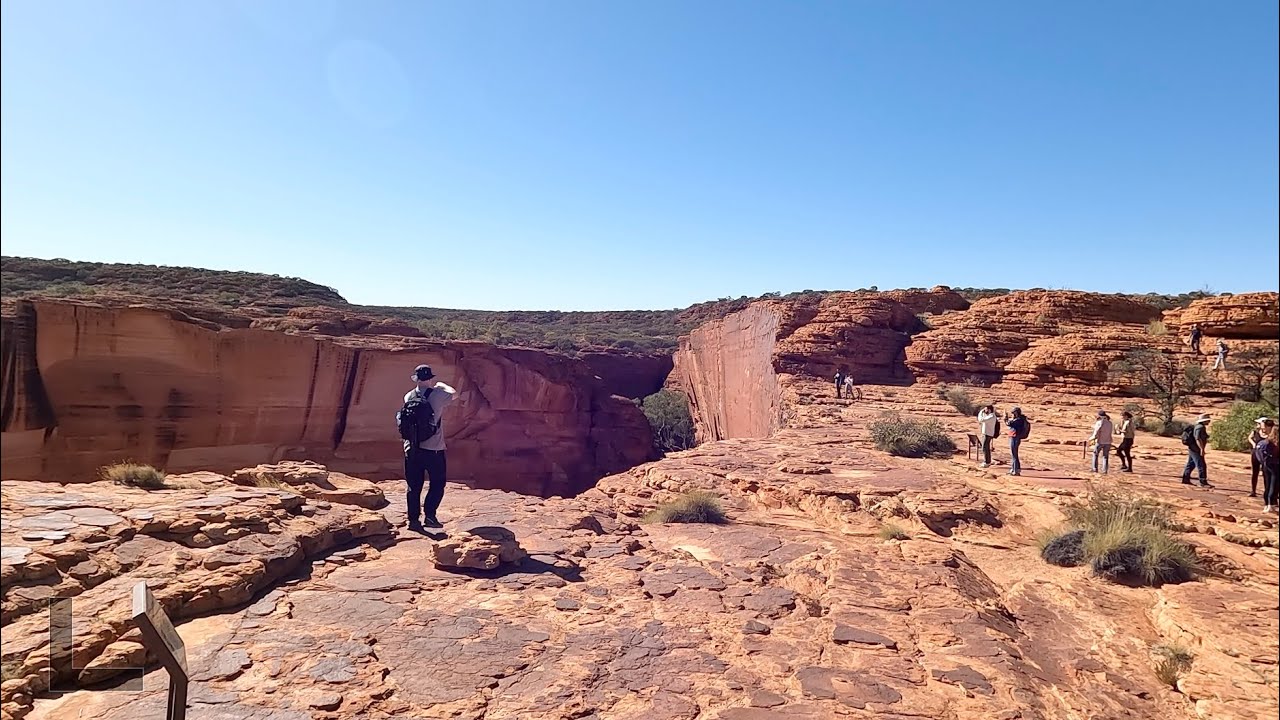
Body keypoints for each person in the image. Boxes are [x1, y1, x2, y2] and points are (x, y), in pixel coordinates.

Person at [400, 364, 457, 530]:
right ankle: (430, 516)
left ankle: (413, 520)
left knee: (413, 486)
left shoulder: (408, 396)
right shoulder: (438, 394)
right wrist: (442, 385)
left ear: (416, 379)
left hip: (412, 448)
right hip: (434, 449)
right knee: (437, 483)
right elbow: (455, 394)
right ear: (431, 378)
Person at [1180, 414, 1213, 488]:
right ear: (1204, 421)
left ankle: (1185, 480)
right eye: (1208, 420)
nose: (1209, 421)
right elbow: (1197, 438)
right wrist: (1201, 449)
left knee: (1191, 464)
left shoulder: (1199, 426)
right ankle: (1203, 482)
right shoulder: (1200, 427)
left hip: (1193, 448)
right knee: (1201, 465)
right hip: (1196, 449)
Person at [1256, 425, 1280, 513]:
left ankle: (1267, 505)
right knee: (1274, 486)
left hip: (1266, 465)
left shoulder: (1266, 441)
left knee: (1267, 485)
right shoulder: (1275, 443)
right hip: (1275, 466)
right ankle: (1271, 506)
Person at [1249, 418, 1274, 498]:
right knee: (1255, 472)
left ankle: (1267, 491)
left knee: (1266, 473)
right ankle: (1253, 491)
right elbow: (1250, 437)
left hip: (1265, 456)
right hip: (1256, 453)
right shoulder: (1255, 432)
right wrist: (1253, 444)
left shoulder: (1270, 434)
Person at [1006, 407, 1028, 476]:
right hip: (1015, 437)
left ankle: (1015, 471)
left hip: (1015, 437)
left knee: (1014, 455)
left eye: (1013, 413)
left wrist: (1005, 418)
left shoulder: (1018, 420)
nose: (1012, 415)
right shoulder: (1020, 419)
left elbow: (1009, 423)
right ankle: (1016, 469)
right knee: (1014, 454)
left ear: (1016, 413)